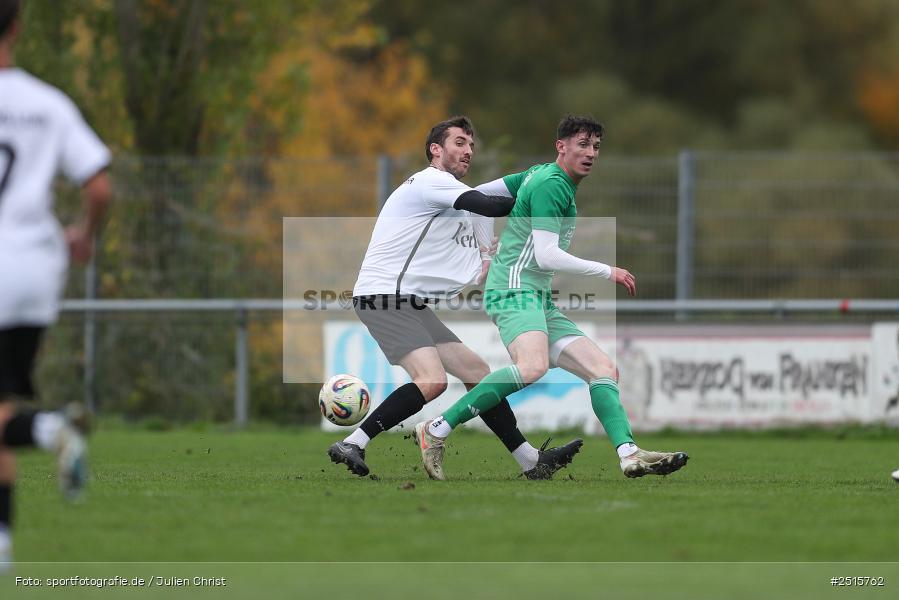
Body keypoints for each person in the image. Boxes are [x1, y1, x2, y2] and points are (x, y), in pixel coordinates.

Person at [414, 115, 689, 480]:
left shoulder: (539, 175)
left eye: (595, 147)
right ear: (562, 147)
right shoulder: (550, 183)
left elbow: (476, 195)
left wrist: (484, 253)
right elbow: (546, 255)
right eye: (582, 145)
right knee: (532, 366)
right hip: (513, 290)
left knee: (604, 370)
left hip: (536, 296)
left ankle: (629, 454)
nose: (590, 153)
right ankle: (436, 430)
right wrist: (609, 271)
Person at [328, 116, 582, 481]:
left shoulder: (444, 193)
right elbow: (490, 205)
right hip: (382, 295)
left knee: (478, 373)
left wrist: (485, 255)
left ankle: (530, 460)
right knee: (432, 380)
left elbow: (479, 212)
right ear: (436, 149)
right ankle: (355, 440)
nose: (467, 151)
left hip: (406, 300)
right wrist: (539, 188)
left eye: (471, 146)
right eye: (459, 142)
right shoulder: (433, 181)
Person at [0, 0, 112, 570]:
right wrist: (84, 237)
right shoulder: (46, 103)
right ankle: (1, 543)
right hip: (30, 269)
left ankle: (50, 430)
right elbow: (97, 186)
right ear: (16, 27)